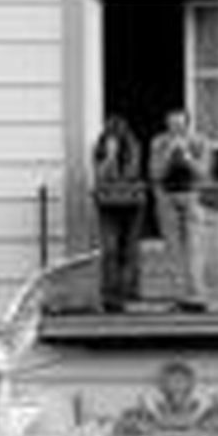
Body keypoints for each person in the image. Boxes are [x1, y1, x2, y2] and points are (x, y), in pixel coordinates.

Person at [148, 106, 209, 309]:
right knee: (173, 250)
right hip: (167, 198)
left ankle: (196, 296)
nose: (176, 130)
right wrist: (168, 154)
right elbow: (155, 173)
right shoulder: (159, 143)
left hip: (192, 197)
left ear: (187, 125)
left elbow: (203, 173)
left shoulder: (200, 142)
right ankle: (178, 297)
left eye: (180, 126)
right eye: (172, 126)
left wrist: (187, 156)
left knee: (194, 248)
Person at [92, 112, 146, 310]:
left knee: (128, 249)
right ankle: (110, 296)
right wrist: (109, 156)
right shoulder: (99, 148)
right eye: (110, 132)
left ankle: (126, 292)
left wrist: (118, 159)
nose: (113, 135)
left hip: (131, 205)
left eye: (117, 131)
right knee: (110, 249)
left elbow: (131, 173)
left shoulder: (133, 147)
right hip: (108, 204)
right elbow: (100, 175)